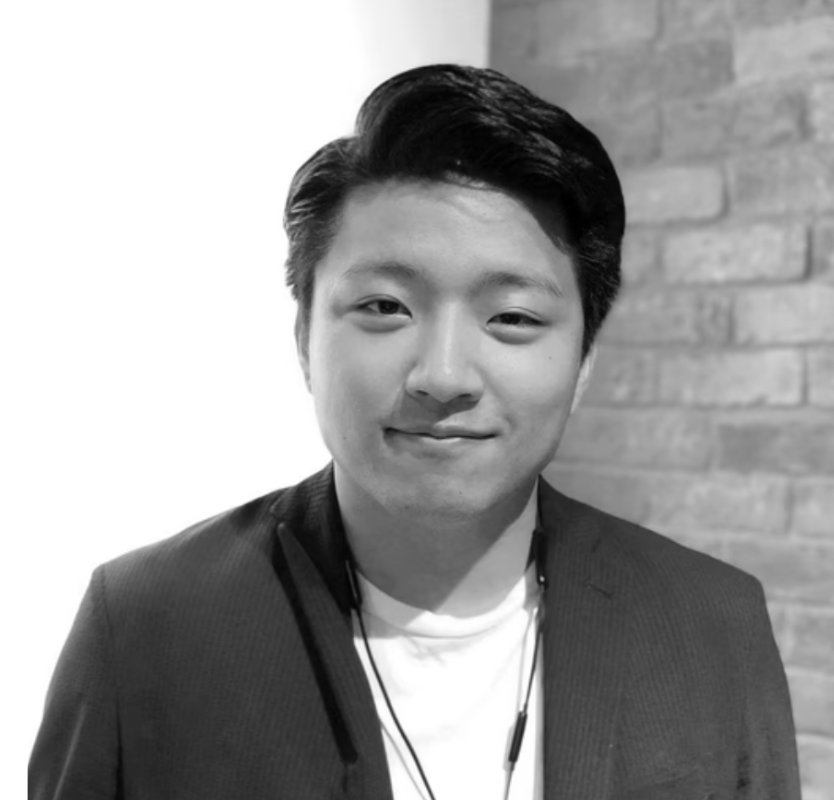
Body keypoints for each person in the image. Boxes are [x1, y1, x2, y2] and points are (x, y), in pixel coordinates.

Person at [29, 64, 801, 800]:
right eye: (385, 307)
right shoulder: (145, 624)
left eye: (512, 318)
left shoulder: (709, 622)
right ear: (304, 337)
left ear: (584, 359)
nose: (443, 374)